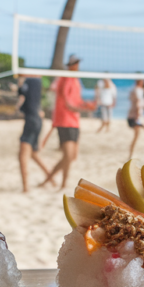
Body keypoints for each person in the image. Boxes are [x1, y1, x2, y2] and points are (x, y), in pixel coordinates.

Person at [40, 55, 92, 189]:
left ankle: (48, 180)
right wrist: (83, 109)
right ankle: (63, 185)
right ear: (70, 65)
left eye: (78, 63)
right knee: (68, 156)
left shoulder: (76, 80)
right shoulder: (64, 78)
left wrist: (86, 105)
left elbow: (76, 100)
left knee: (71, 157)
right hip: (64, 121)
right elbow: (68, 103)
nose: (77, 66)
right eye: (76, 63)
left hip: (74, 121)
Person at [17, 75, 52, 192]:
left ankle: (25, 187)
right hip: (38, 120)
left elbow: (21, 95)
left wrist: (20, 84)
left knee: (22, 155)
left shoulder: (28, 81)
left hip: (31, 121)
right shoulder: (37, 82)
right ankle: (51, 178)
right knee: (32, 154)